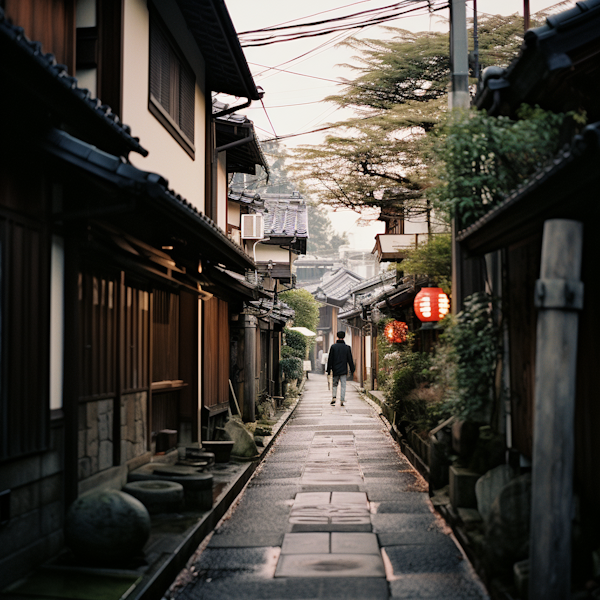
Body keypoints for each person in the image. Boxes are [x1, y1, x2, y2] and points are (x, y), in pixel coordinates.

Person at [326, 331, 355, 406]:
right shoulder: (347, 348)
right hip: (343, 369)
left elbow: (330, 359)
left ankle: (334, 397)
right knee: (343, 385)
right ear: (344, 337)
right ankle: (342, 399)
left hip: (335, 369)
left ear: (337, 337)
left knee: (335, 384)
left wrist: (328, 369)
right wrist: (352, 369)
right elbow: (350, 359)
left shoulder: (333, 347)